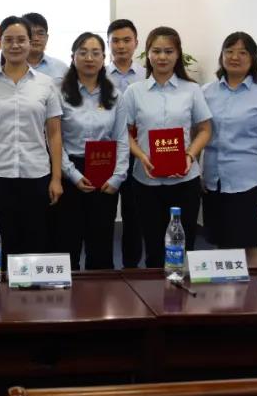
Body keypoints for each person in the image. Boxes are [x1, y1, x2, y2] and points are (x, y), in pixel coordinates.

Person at [120, 26, 212, 268]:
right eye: (156, 51)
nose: (162, 57)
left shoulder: (192, 90)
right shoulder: (134, 92)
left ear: (177, 54)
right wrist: (141, 155)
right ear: (147, 54)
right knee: (153, 248)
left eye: (169, 51)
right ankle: (154, 292)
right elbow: (123, 133)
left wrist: (190, 155)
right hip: (146, 181)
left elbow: (205, 129)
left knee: (184, 246)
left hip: (185, 181)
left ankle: (181, 290)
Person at [0, 16, 64, 259]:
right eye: (9, 40)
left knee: (35, 239)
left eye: (21, 40)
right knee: (2, 241)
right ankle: (2, 283)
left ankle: (30, 285)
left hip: (36, 174)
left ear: (30, 42)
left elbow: (54, 133)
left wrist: (56, 178)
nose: (15, 45)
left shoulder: (46, 84)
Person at [201, 32, 257, 268]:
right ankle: (223, 291)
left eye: (242, 52)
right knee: (220, 242)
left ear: (253, 58)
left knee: (250, 244)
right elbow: (199, 133)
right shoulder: (206, 92)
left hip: (250, 184)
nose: (234, 57)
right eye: (229, 51)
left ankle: (253, 291)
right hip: (214, 181)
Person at [52, 33, 129, 270]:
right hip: (70, 171)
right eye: (83, 52)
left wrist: (118, 176)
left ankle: (99, 292)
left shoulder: (114, 95)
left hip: (105, 171)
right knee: (67, 241)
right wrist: (72, 174)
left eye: (96, 53)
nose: (89, 58)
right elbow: (54, 139)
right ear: (73, 57)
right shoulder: (59, 93)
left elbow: (122, 138)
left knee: (101, 242)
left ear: (104, 58)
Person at [106, 18, 145, 268]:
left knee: (134, 214)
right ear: (109, 43)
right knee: (104, 214)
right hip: (105, 153)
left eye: (126, 40)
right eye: (115, 41)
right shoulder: (98, 74)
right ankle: (103, 268)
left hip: (139, 152)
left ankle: (131, 267)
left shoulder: (147, 75)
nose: (121, 46)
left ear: (136, 43)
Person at [21, 12, 69, 85]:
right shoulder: (9, 67)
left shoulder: (61, 68)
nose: (36, 38)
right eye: (31, 33)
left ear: (47, 38)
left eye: (40, 34)